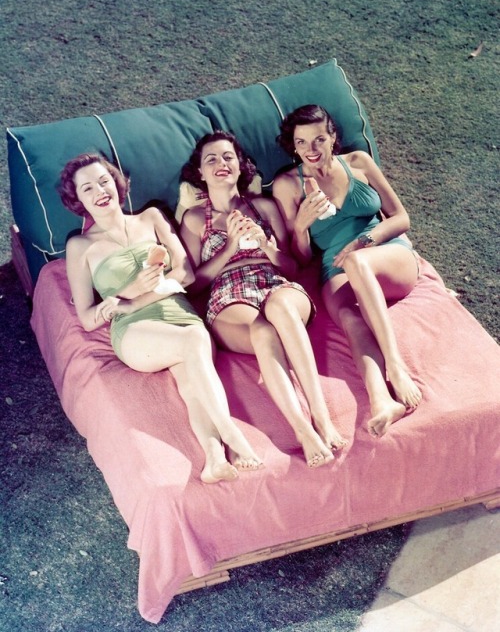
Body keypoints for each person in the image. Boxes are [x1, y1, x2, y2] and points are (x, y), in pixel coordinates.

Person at [59, 152, 262, 484]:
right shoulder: (80, 247)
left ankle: (214, 461)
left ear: (117, 183)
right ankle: (231, 432)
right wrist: (124, 299)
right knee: (192, 342)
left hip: (179, 314)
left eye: (104, 181)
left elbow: (184, 272)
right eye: (87, 189)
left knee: (191, 382)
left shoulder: (151, 218)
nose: (99, 191)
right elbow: (87, 318)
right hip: (136, 330)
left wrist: (140, 295)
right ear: (77, 200)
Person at [180, 131, 346, 468]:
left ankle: (322, 417)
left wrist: (267, 245)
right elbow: (194, 285)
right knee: (262, 330)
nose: (220, 164)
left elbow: (293, 265)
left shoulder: (265, 207)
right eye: (210, 159)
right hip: (229, 296)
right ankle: (303, 430)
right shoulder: (195, 219)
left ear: (240, 167)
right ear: (200, 173)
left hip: (275, 283)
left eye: (228, 157)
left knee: (280, 306)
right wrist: (229, 246)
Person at [273, 105, 422, 438]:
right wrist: (300, 226)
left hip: (386, 255)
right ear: (293, 145)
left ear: (333, 137)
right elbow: (299, 257)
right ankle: (381, 400)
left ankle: (395, 365)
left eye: (319, 139)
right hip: (334, 268)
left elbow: (401, 218)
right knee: (350, 319)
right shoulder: (289, 186)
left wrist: (365, 241)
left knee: (356, 261)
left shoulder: (358, 163)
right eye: (301, 143)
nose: (311, 150)